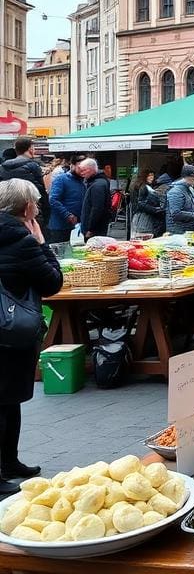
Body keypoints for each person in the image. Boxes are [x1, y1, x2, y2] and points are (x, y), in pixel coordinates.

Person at [0, 179, 63, 494]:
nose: (39, 208)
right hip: (10, 334)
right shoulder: (23, 242)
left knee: (7, 401)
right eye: (37, 203)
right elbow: (52, 283)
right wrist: (41, 244)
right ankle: (3, 470)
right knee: (6, 401)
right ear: (27, 209)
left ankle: (9, 463)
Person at [0, 137, 50, 230]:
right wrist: (46, 211)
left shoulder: (3, 167)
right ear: (30, 149)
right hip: (31, 210)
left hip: (9, 212)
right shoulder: (32, 166)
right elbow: (41, 190)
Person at [47, 154, 86, 244]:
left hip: (76, 226)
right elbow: (53, 200)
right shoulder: (61, 179)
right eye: (80, 167)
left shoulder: (83, 181)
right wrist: (67, 215)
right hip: (59, 226)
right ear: (72, 165)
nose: (82, 171)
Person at [165, 165, 194, 234]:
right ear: (187, 177)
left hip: (189, 231)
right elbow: (176, 214)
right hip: (177, 233)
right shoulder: (176, 191)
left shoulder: (191, 189)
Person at [77, 158, 112, 240]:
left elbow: (97, 208)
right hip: (97, 228)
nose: (81, 173)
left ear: (91, 170)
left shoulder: (97, 185)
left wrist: (91, 229)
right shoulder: (97, 183)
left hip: (95, 230)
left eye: (84, 170)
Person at [130, 168, 165, 238]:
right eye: (149, 175)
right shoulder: (144, 187)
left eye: (152, 175)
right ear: (144, 176)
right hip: (144, 219)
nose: (152, 177)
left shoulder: (141, 186)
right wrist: (155, 209)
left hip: (139, 218)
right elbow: (141, 203)